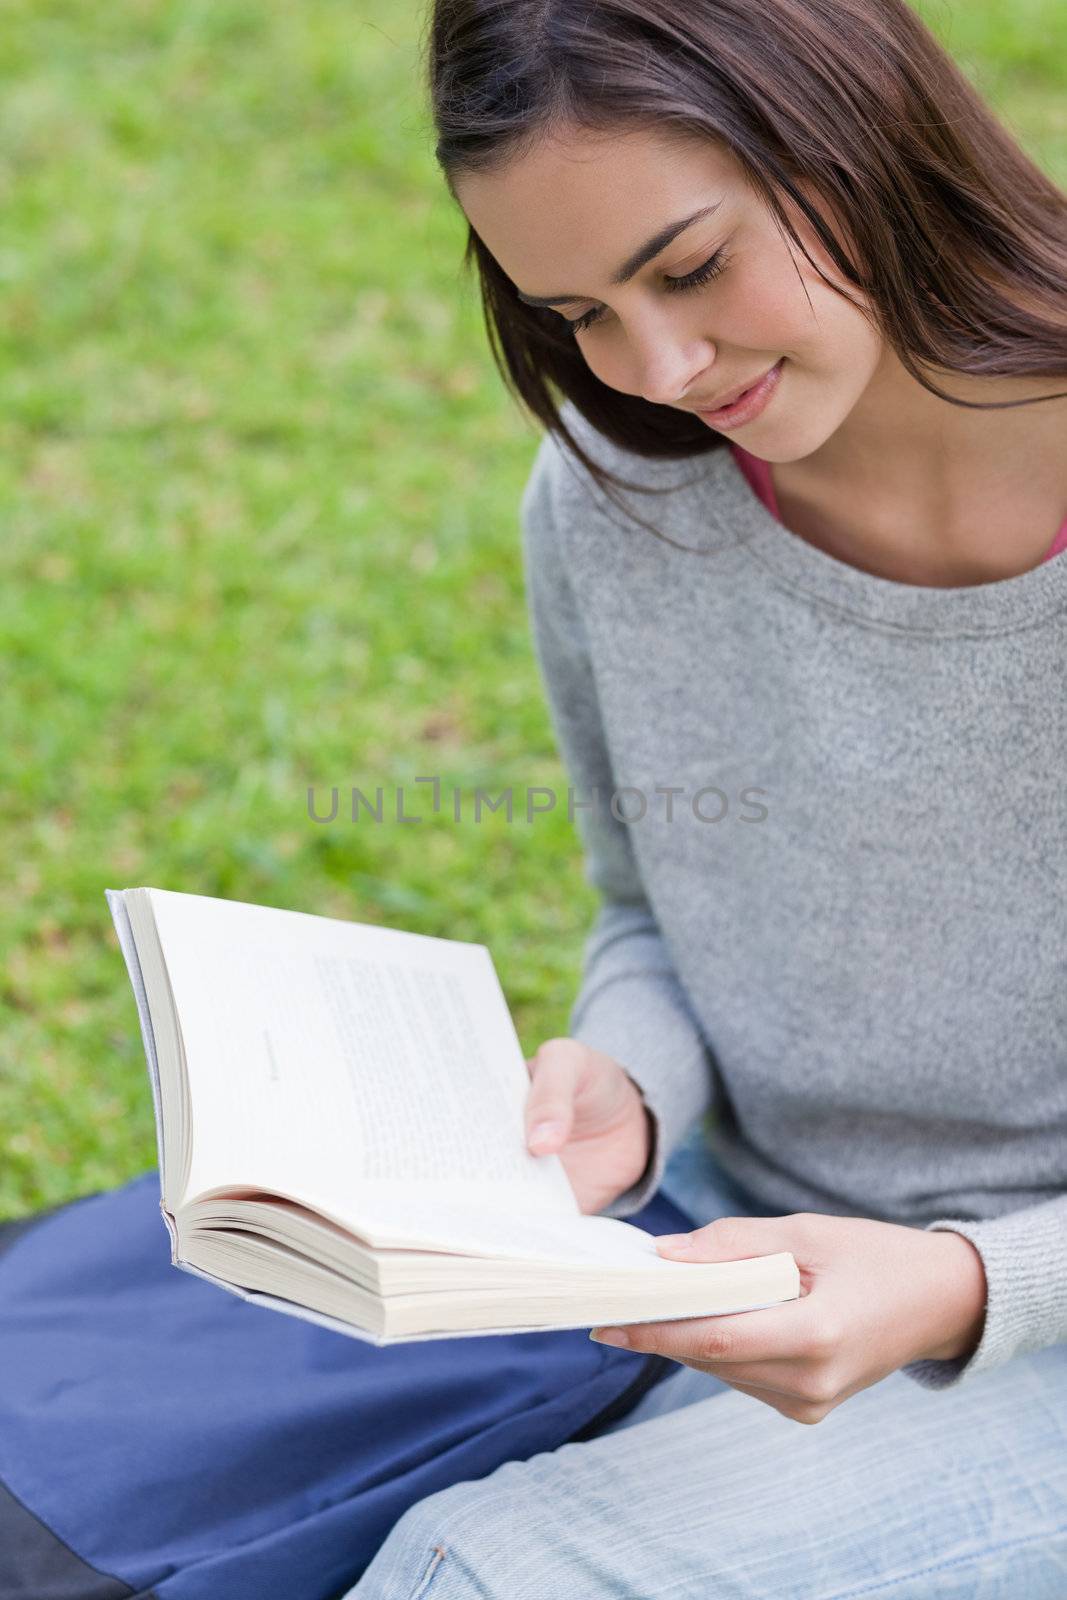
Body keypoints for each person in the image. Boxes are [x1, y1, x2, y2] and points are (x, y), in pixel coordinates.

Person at [345, 0, 1067, 1592]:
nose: (660, 369)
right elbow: (649, 904)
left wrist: (961, 1283)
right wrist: (633, 1080)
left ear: (856, 136)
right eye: (579, 310)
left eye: (689, 266)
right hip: (718, 1242)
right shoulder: (618, 500)